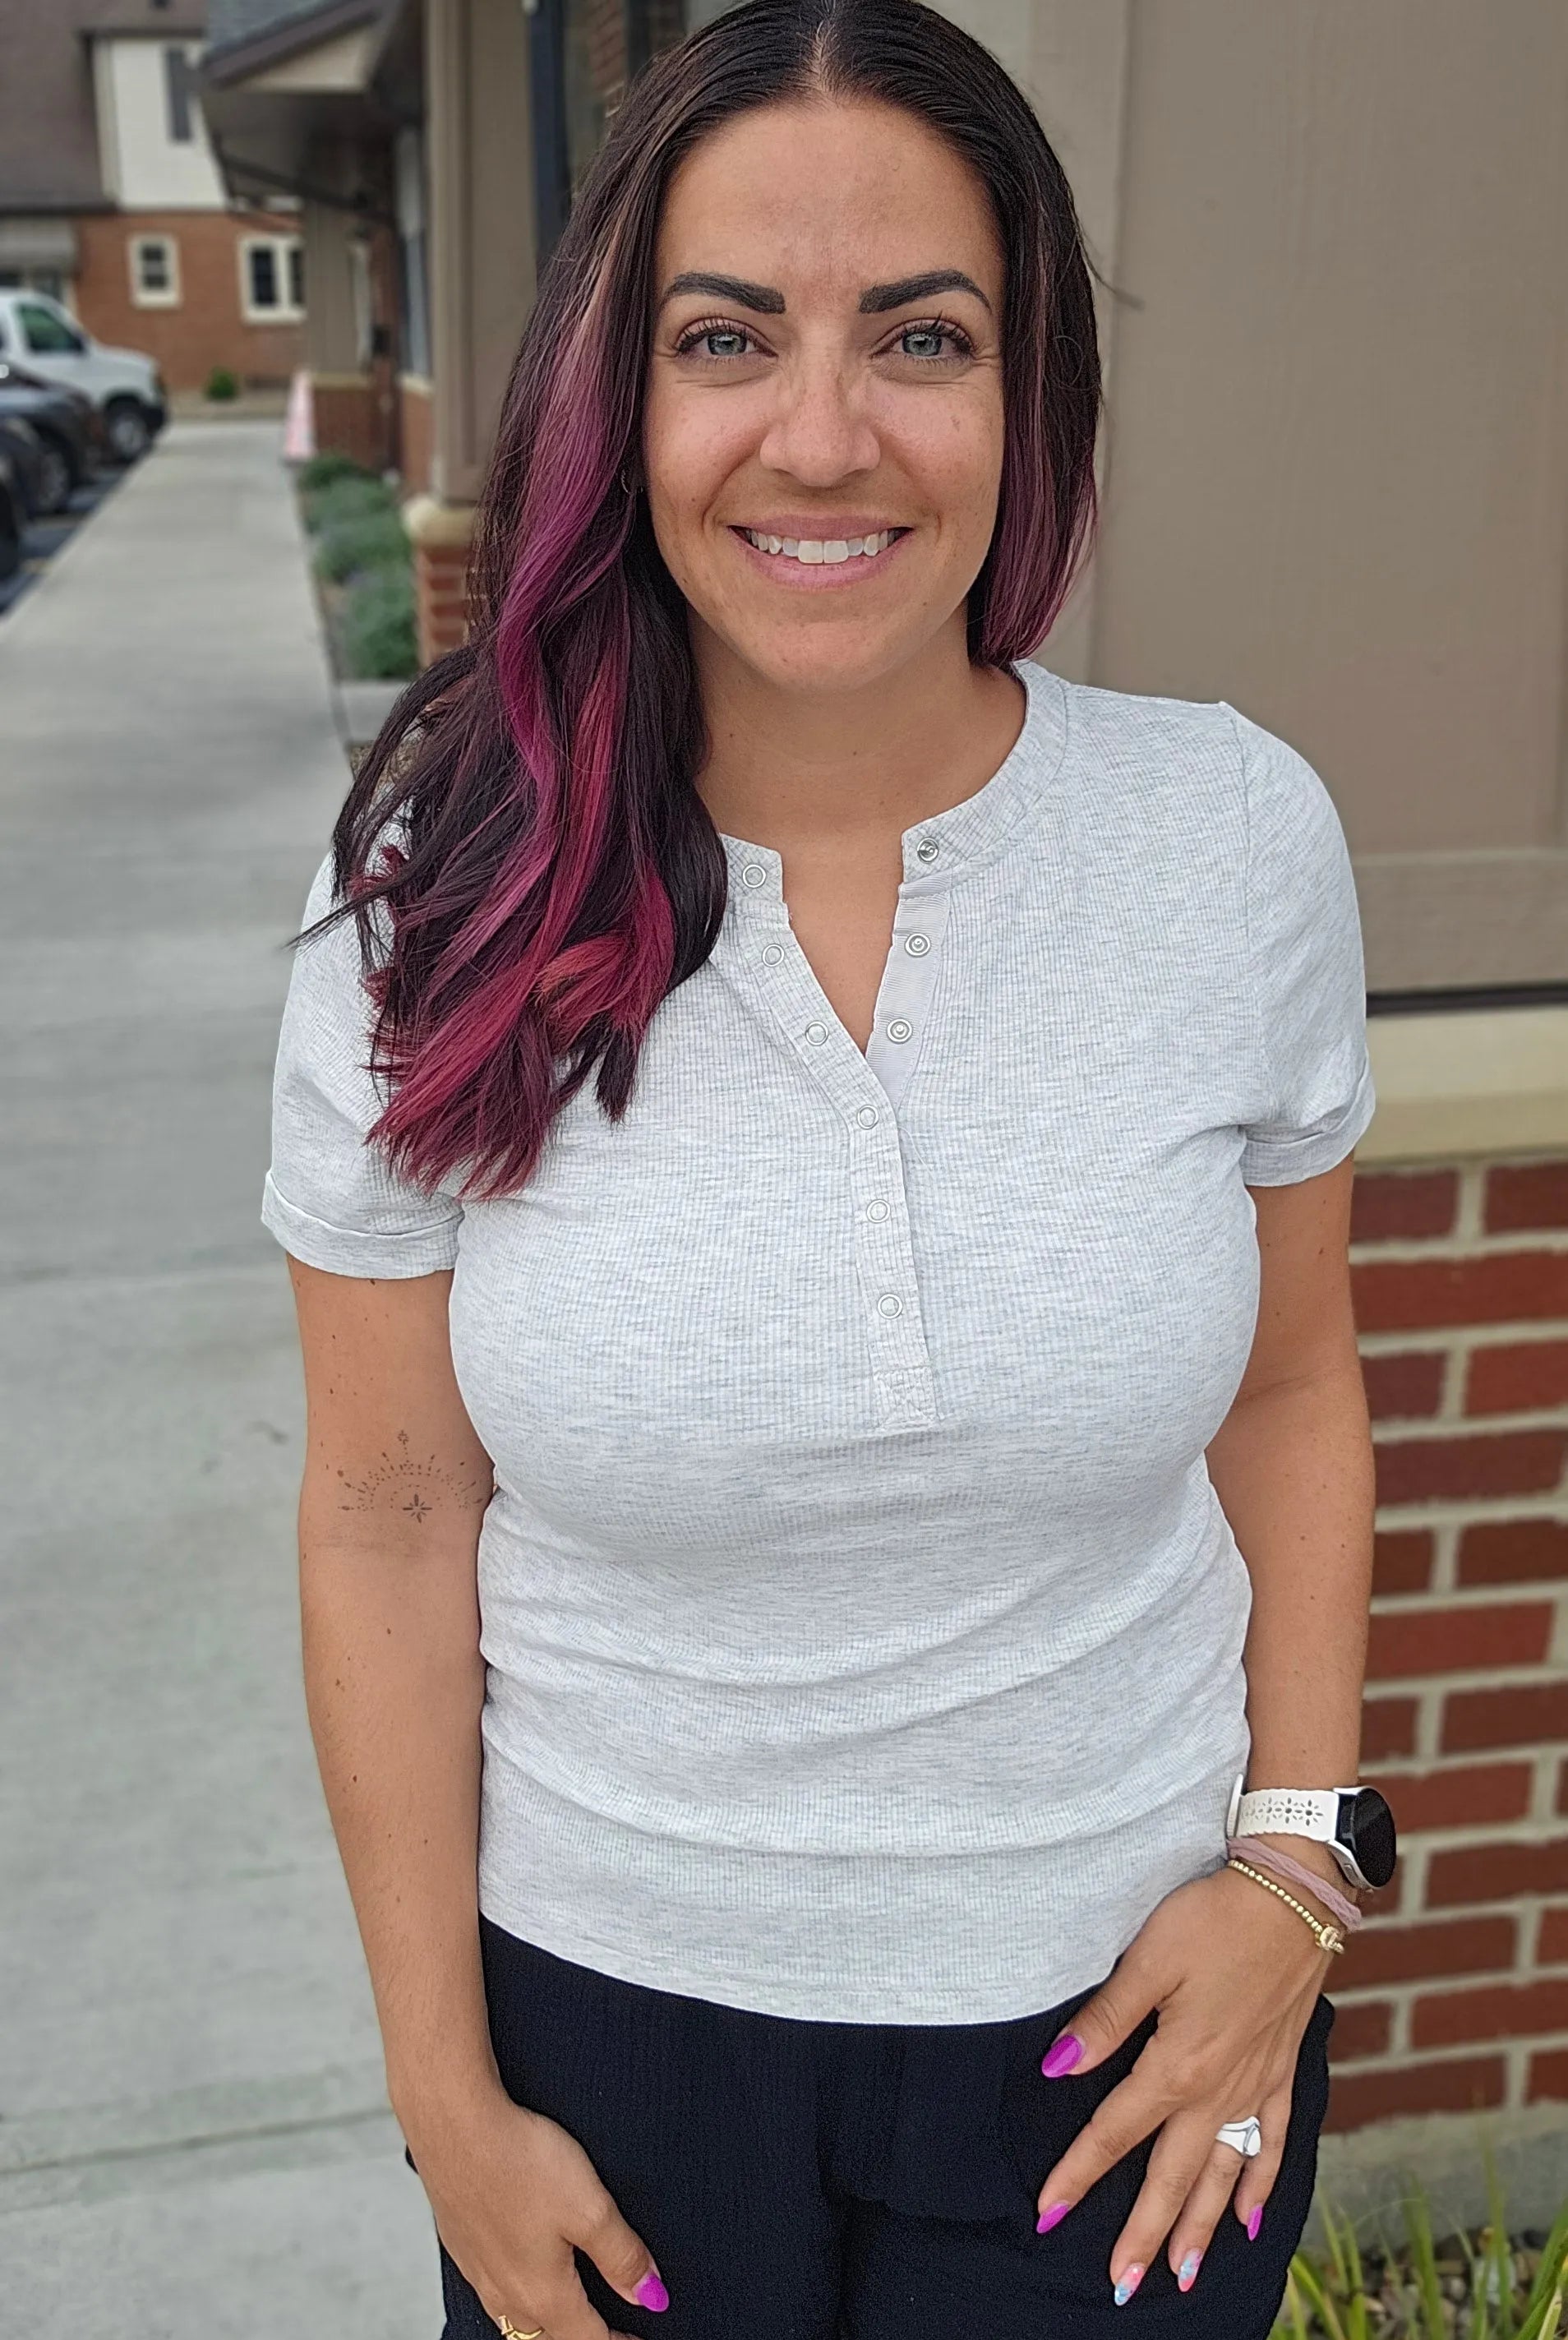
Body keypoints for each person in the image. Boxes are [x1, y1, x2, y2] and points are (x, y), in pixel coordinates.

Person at [261, 1, 1397, 2332]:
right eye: (724, 336)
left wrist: (1296, 1871)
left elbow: (1290, 1395)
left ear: (1027, 391)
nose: (821, 433)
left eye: (920, 335)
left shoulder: (1224, 840)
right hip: (606, 2047)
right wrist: (438, 2095)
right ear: (624, 395)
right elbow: (386, 1510)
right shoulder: (434, 881)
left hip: (1120, 2030)